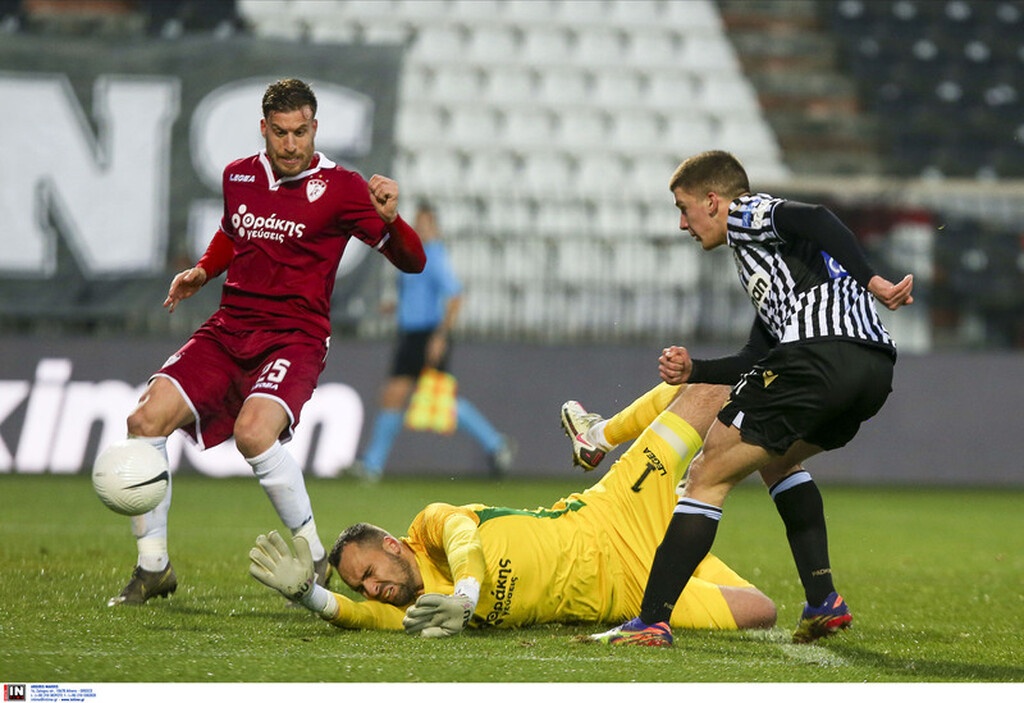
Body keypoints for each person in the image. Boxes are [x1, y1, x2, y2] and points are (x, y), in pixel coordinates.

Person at [104, 78, 426, 606]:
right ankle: (153, 568)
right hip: (230, 327)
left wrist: (394, 221)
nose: (292, 144)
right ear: (264, 129)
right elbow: (236, 230)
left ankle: (315, 556)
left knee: (254, 433)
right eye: (281, 133)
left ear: (315, 128)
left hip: (295, 337)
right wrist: (204, 271)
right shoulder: (239, 176)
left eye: (301, 132)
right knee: (143, 421)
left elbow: (413, 262)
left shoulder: (343, 188)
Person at [584, 150, 914, 646]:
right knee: (776, 461)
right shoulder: (780, 265)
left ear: (713, 201)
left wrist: (874, 280)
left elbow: (818, 217)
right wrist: (696, 370)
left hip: (816, 357)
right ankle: (824, 601)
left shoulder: (746, 214)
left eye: (684, 207)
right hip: (871, 369)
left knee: (705, 475)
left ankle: (651, 620)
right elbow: (757, 354)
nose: (682, 224)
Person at [247, 382, 777, 637]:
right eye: (362, 586)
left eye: (367, 574)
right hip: (626, 591)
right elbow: (356, 615)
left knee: (705, 392)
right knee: (761, 612)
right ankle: (683, 522)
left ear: (392, 545)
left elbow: (463, 539)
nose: (370, 588)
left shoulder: (428, 528)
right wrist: (309, 596)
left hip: (609, 515)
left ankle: (598, 435)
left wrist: (467, 594)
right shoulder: (413, 608)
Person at [353, 202, 514, 481]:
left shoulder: (434, 256)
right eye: (419, 222)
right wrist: (395, 306)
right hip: (410, 335)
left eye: (427, 223)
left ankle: (496, 444)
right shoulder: (413, 254)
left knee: (440, 401)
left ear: (435, 226)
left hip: (428, 336)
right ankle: (372, 465)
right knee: (393, 396)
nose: (422, 228)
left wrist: (440, 336)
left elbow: (455, 298)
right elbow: (416, 295)